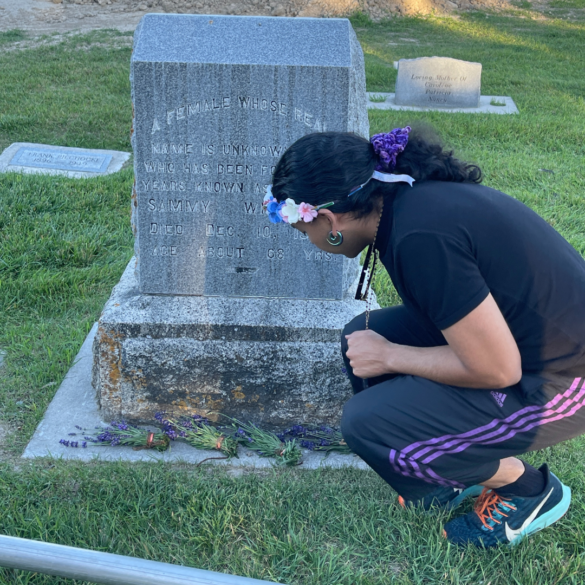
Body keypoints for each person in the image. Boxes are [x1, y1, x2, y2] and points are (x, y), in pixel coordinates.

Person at [261, 125, 585, 548]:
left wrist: (393, 356)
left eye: (307, 234)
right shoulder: (405, 205)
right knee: (362, 335)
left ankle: (527, 489)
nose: (312, 243)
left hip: (563, 379)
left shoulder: (420, 237)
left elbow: (497, 368)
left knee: (367, 422)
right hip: (521, 345)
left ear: (328, 220)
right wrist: (384, 350)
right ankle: (444, 477)